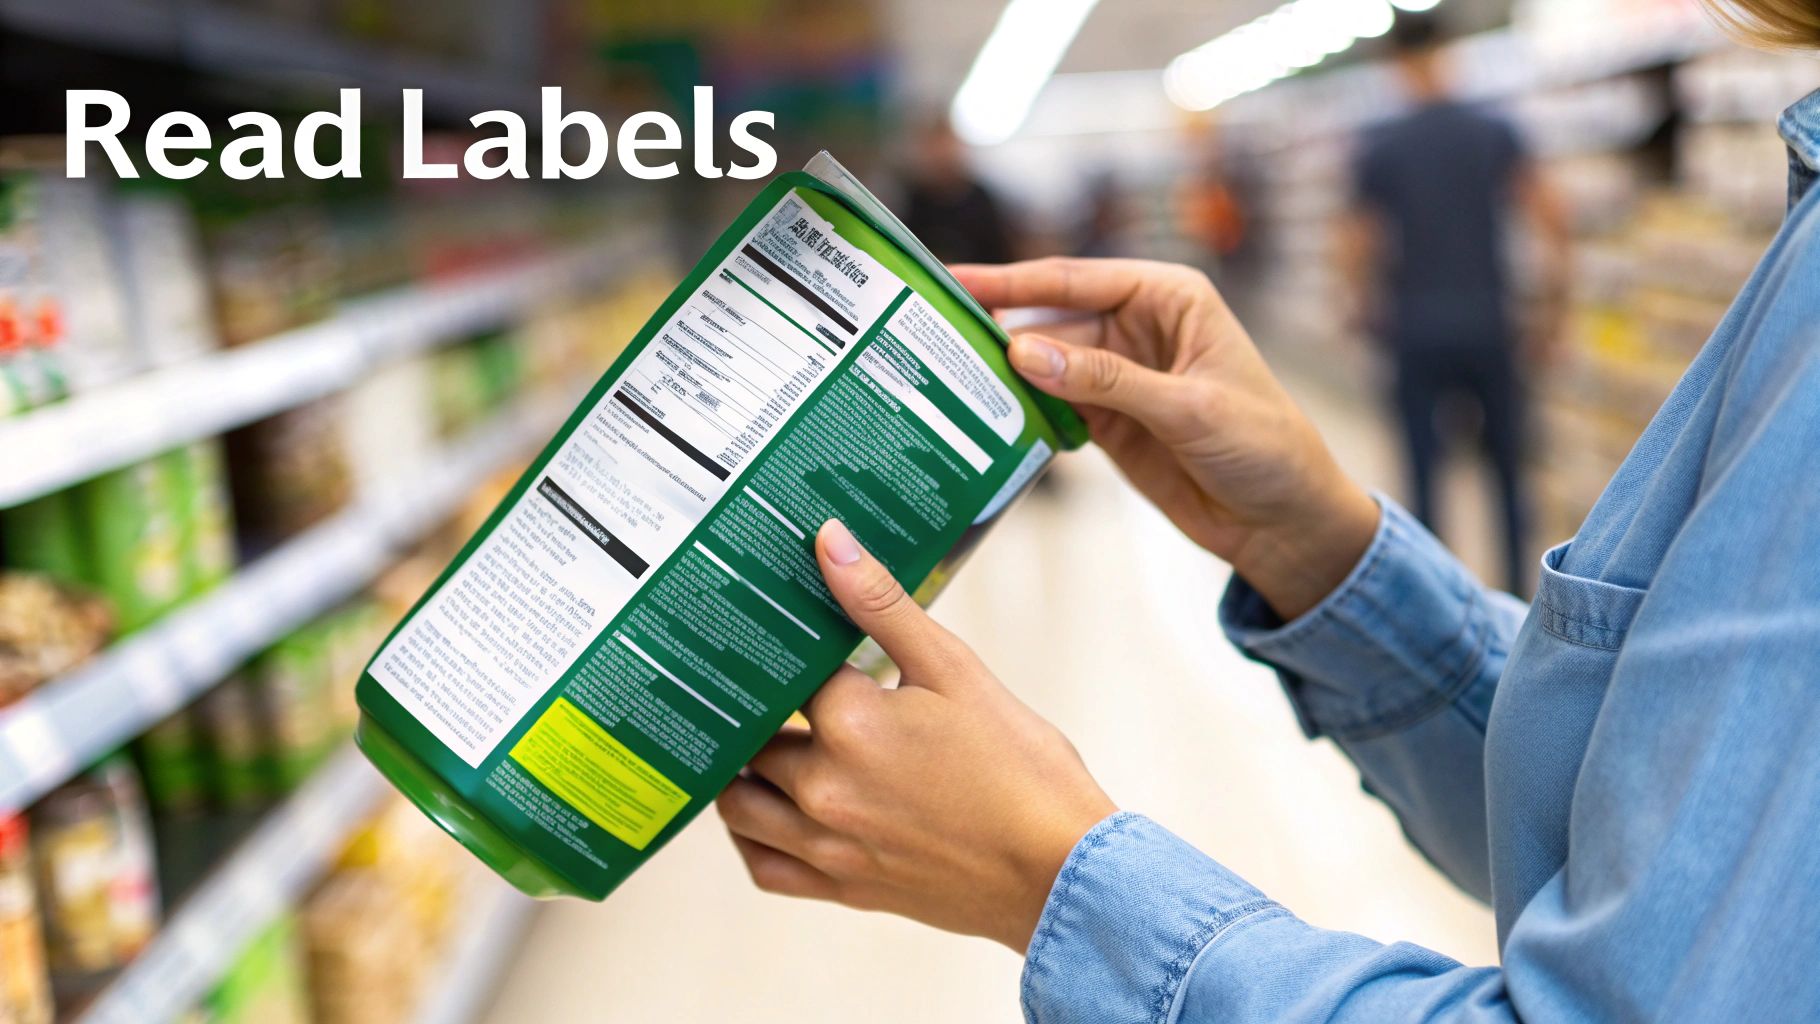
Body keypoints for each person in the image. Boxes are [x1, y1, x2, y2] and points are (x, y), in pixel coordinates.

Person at [714, 0, 1820, 1019]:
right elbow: (1679, 838)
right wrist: (1320, 547)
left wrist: (1045, 872)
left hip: (1417, 332)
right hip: (1478, 328)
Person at [1338, 13, 1571, 595]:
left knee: (1423, 478)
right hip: (1490, 324)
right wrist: (1551, 313)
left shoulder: (1380, 145)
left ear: (1393, 64)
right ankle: (1521, 602)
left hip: (1414, 328)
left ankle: (1441, 603)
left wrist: (1360, 307)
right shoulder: (1494, 131)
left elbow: (1355, 243)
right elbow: (1551, 221)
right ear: (1448, 52)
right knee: (1507, 475)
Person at [899, 116, 1021, 265]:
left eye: (945, 145)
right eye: (933, 146)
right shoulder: (916, 199)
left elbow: (999, 249)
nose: (940, 154)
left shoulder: (980, 198)